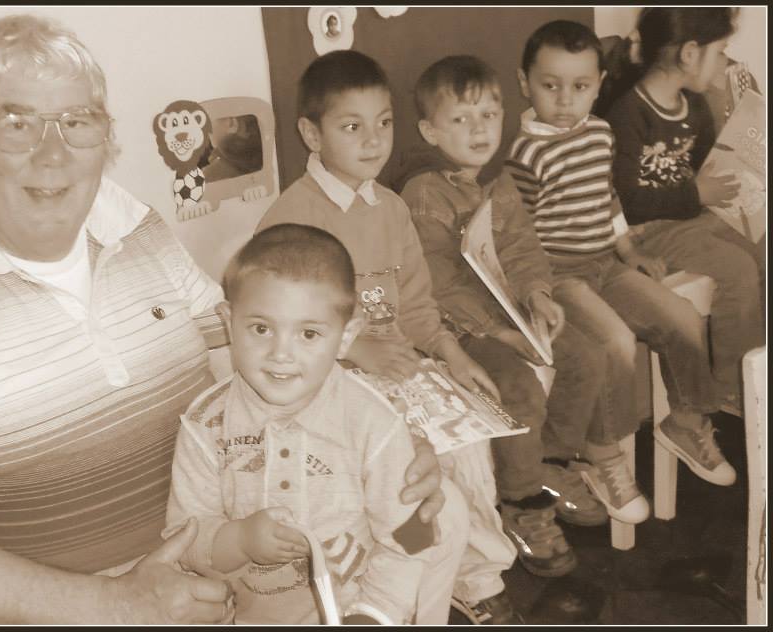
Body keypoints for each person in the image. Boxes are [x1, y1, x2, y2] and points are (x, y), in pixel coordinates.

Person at [0, 15, 445, 625]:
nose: (53, 154)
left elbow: (258, 359)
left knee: (443, 526)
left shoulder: (137, 230)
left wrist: (383, 444)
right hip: (63, 616)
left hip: (220, 583)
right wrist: (119, 604)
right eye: (17, 124)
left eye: (77, 122)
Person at [256, 49, 521, 626]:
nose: (374, 140)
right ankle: (421, 584)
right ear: (312, 134)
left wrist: (451, 355)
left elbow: (417, 306)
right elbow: (280, 327)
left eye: (383, 123)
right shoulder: (293, 218)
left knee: (470, 446)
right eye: (352, 127)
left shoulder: (393, 209)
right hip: (329, 385)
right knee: (420, 474)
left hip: (400, 371)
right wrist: (355, 348)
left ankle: (474, 578)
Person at [164, 224, 468, 625]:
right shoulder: (205, 424)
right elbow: (183, 540)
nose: (281, 353)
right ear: (228, 320)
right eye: (260, 329)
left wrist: (374, 616)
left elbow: (412, 537)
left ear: (346, 337)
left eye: (308, 334)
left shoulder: (374, 423)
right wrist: (240, 539)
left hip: (357, 611)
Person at [396, 55, 616, 588]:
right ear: (430, 131)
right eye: (462, 119)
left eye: (489, 116)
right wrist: (496, 332)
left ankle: (550, 462)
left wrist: (539, 296)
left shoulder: (498, 180)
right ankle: (522, 501)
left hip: (509, 309)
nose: (480, 130)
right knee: (518, 387)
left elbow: (522, 248)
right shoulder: (423, 191)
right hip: (459, 325)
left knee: (587, 357)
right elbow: (437, 282)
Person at [506, 20, 735, 494]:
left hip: (607, 262)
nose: (565, 101)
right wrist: (531, 290)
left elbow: (607, 196)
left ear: (598, 86)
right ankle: (602, 451)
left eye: (580, 87)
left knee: (683, 319)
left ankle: (686, 420)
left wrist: (628, 247)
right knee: (616, 342)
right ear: (525, 83)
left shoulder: (598, 134)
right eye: (551, 86)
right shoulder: (526, 155)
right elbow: (515, 232)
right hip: (560, 274)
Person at [601, 7, 764, 421]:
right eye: (720, 51)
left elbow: (710, 163)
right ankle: (733, 387)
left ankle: (759, 367)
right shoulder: (628, 114)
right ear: (690, 54)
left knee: (763, 244)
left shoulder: (694, 105)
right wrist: (696, 193)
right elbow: (625, 199)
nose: (724, 62)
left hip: (692, 217)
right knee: (739, 270)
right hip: (650, 230)